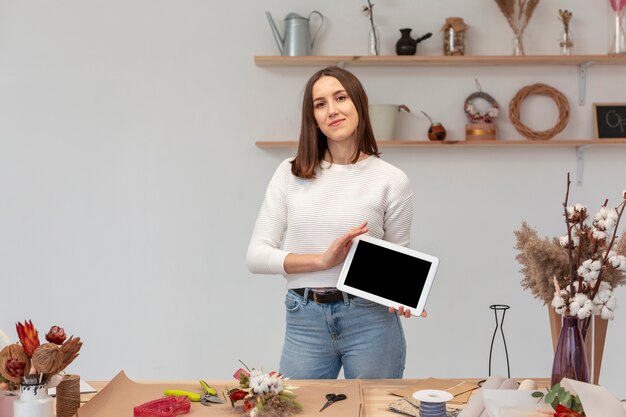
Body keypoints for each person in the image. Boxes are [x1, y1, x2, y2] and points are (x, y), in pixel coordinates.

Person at [246, 66, 424, 380]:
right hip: (305, 320)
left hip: (371, 320)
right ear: (312, 117)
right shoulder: (290, 173)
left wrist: (402, 296)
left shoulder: (392, 180)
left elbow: (397, 261)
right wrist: (322, 260)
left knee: (375, 414)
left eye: (340, 97)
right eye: (320, 103)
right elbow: (256, 256)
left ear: (358, 103)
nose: (332, 110)